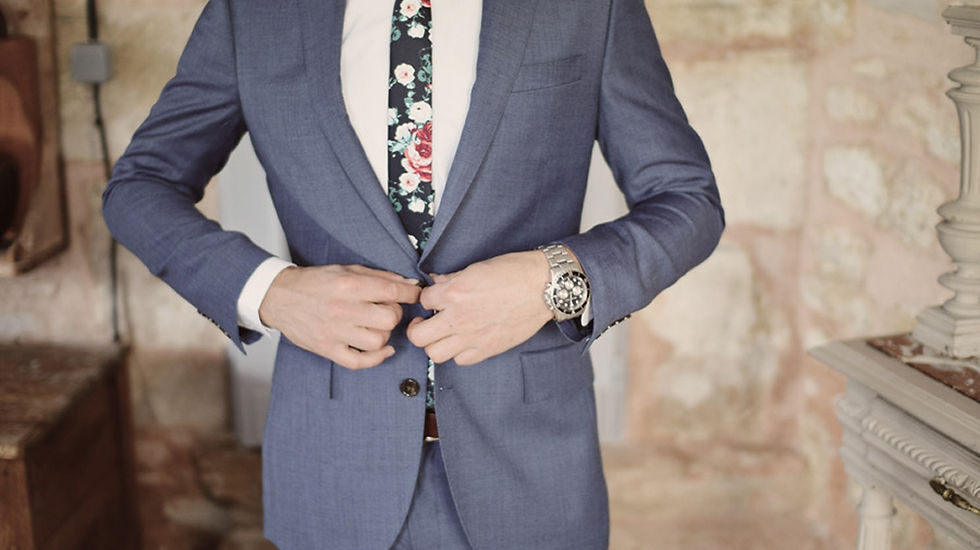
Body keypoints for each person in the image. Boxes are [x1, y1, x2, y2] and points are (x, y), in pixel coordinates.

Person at [102, 0, 724, 548]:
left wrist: (551, 279)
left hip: (531, 475)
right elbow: (140, 187)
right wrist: (272, 293)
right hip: (332, 468)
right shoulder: (253, 11)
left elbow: (687, 201)